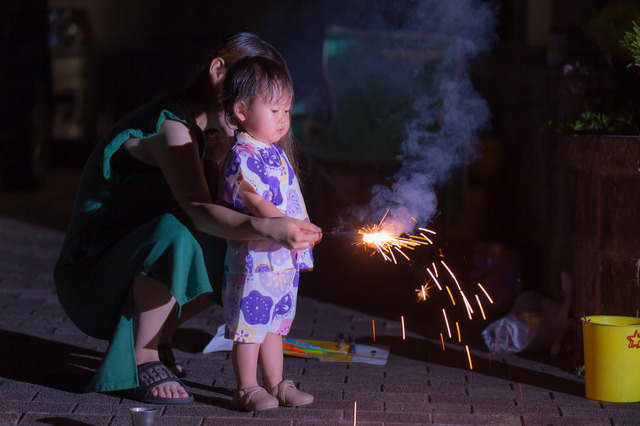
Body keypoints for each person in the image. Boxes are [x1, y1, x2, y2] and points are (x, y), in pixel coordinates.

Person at [53, 33, 321, 405]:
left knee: (235, 251)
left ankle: (161, 340)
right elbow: (199, 211)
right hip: (89, 279)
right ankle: (142, 355)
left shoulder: (216, 140)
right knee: (181, 231)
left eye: (282, 108)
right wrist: (266, 226)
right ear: (218, 72)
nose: (275, 115)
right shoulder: (172, 128)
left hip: (126, 267)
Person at [218, 56, 315, 411]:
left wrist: (299, 229)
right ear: (241, 110)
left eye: (287, 111)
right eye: (275, 110)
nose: (283, 120)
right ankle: (246, 386)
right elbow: (252, 198)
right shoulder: (243, 154)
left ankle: (276, 384)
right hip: (256, 259)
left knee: (275, 324)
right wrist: (285, 225)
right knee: (250, 325)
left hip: (281, 259)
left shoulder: (273, 152)